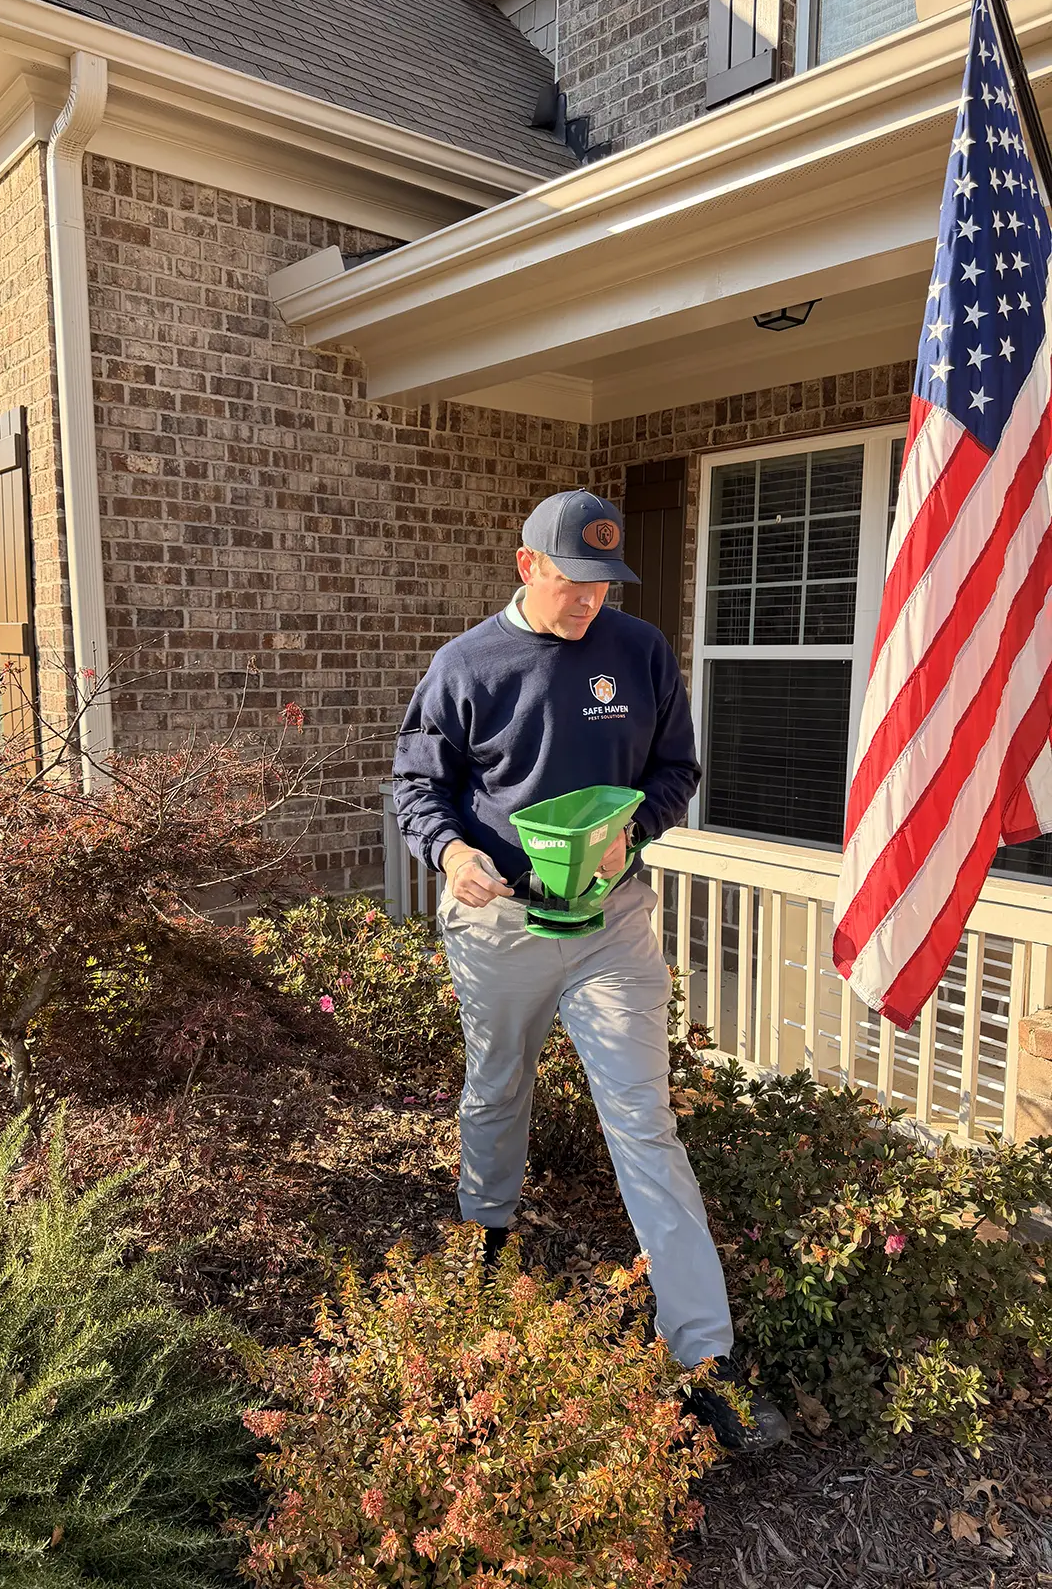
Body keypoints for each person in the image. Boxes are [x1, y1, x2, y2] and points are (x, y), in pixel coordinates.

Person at [392, 489, 789, 1453]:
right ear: (527, 566)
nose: (590, 602)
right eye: (574, 582)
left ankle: (704, 1356)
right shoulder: (466, 666)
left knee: (645, 1124)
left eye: (605, 585)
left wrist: (634, 831)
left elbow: (675, 770)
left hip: (613, 924)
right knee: (497, 1090)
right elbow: (417, 785)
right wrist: (451, 852)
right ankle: (486, 1244)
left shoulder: (640, 651)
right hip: (503, 925)